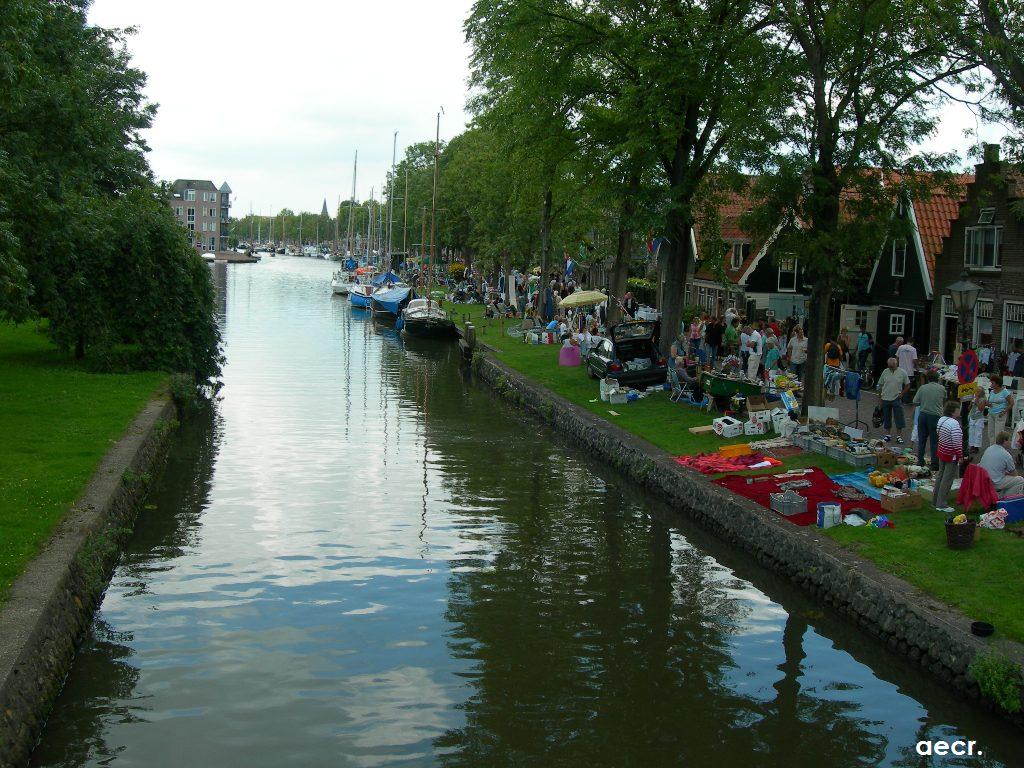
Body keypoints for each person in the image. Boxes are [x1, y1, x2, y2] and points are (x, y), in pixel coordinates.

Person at [933, 400, 965, 512]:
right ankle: (941, 504)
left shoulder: (941, 420)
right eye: (958, 409)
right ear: (953, 411)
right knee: (947, 479)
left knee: (940, 476)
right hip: (951, 455)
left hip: (941, 451)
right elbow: (957, 442)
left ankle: (935, 500)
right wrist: (960, 456)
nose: (959, 411)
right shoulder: (954, 424)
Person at [913, 371, 946, 469]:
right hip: (936, 416)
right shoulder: (942, 389)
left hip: (923, 415)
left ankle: (920, 461)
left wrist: (924, 402)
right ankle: (934, 464)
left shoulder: (923, 388)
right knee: (934, 441)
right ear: (938, 379)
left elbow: (915, 401)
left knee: (922, 439)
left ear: (928, 379)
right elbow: (944, 400)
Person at [979, 431, 1024, 498]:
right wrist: (1006, 473)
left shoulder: (989, 448)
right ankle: (1005, 499)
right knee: (1020, 480)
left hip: (984, 479)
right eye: (1009, 440)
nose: (1010, 442)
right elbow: (1014, 474)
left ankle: (1000, 496)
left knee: (1007, 479)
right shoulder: (1006, 454)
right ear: (1005, 441)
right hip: (994, 482)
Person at [877, 357, 910, 443]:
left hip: (896, 398)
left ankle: (899, 436)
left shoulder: (902, 372)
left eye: (892, 366)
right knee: (887, 417)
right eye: (889, 366)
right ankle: (887, 435)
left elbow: (907, 384)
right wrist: (879, 397)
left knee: (899, 417)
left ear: (896, 364)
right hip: (885, 398)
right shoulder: (885, 372)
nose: (891, 368)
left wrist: (902, 394)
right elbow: (880, 385)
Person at [986, 378, 1014, 448]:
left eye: (992, 383)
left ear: (997, 384)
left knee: (998, 434)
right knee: (990, 433)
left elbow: (1011, 403)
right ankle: (991, 448)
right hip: (991, 413)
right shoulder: (992, 391)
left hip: (1000, 414)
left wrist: (1004, 411)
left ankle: (998, 448)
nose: (991, 384)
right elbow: (989, 401)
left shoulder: (1005, 392)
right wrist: (988, 404)